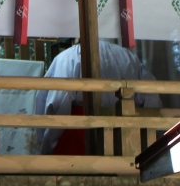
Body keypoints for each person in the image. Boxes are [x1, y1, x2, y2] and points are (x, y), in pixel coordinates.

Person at [34, 40, 162, 154]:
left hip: (80, 134)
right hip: (126, 135)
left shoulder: (67, 57)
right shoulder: (128, 57)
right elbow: (151, 97)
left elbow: (58, 103)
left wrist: (48, 146)